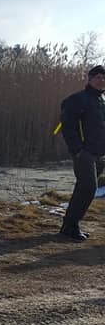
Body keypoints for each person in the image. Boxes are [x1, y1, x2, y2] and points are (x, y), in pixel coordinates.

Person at [58, 64, 105, 241]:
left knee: (82, 189)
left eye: (104, 78)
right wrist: (77, 150)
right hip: (84, 153)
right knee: (88, 189)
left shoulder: (102, 100)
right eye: (98, 77)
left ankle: (68, 226)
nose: (102, 80)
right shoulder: (78, 99)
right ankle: (71, 226)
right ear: (90, 79)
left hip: (100, 153)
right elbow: (67, 125)